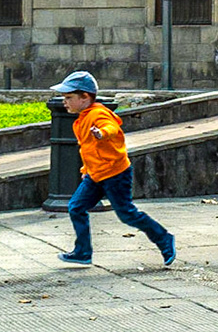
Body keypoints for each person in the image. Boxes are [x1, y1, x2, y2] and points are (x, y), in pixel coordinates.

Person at [51, 71, 176, 267]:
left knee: (127, 213)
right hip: (95, 174)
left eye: (68, 98)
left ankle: (164, 240)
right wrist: (86, 169)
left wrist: (101, 133)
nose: (64, 102)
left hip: (115, 173)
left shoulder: (97, 113)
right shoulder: (82, 117)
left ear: (85, 97)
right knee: (76, 207)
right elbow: (89, 149)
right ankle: (83, 252)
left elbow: (112, 128)